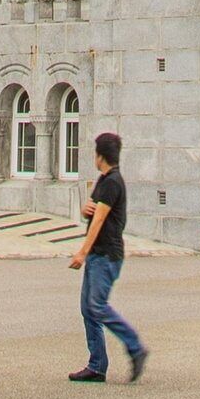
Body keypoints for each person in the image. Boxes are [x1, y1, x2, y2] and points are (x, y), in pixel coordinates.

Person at [68, 129, 149, 383]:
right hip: (97, 255)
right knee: (88, 309)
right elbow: (92, 214)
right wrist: (84, 211)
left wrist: (81, 252)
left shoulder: (113, 182)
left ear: (100, 155)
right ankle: (97, 365)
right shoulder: (103, 180)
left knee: (97, 306)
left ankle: (135, 347)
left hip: (106, 255)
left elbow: (100, 220)